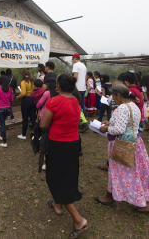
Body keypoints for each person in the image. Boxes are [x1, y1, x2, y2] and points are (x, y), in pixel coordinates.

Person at [95, 83, 149, 215]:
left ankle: (111, 197)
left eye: (113, 96)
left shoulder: (122, 108)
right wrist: (110, 122)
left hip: (122, 145)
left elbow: (119, 129)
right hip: (135, 144)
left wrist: (106, 128)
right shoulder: (132, 106)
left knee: (117, 170)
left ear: (118, 95)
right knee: (138, 171)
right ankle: (146, 202)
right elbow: (127, 123)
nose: (113, 99)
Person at [39, 74, 88, 238]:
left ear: (58, 86)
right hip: (73, 144)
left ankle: (78, 220)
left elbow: (44, 125)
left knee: (56, 179)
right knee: (66, 175)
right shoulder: (75, 100)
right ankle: (57, 204)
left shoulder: (54, 101)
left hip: (57, 145)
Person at [36, 77, 58, 171]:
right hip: (55, 118)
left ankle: (46, 159)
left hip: (44, 117)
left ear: (48, 84)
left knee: (44, 139)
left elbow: (38, 105)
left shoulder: (47, 93)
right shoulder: (58, 94)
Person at [0, 75, 14, 148]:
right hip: (8, 108)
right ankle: (2, 135)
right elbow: (11, 100)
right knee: (3, 123)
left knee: (2, 125)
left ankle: (4, 142)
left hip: (0, 108)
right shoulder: (10, 89)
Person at [16, 69, 35, 140]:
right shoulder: (33, 81)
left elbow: (23, 93)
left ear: (22, 75)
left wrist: (18, 97)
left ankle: (23, 134)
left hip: (26, 100)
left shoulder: (23, 82)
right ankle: (36, 134)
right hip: (33, 100)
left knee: (25, 118)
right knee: (33, 118)